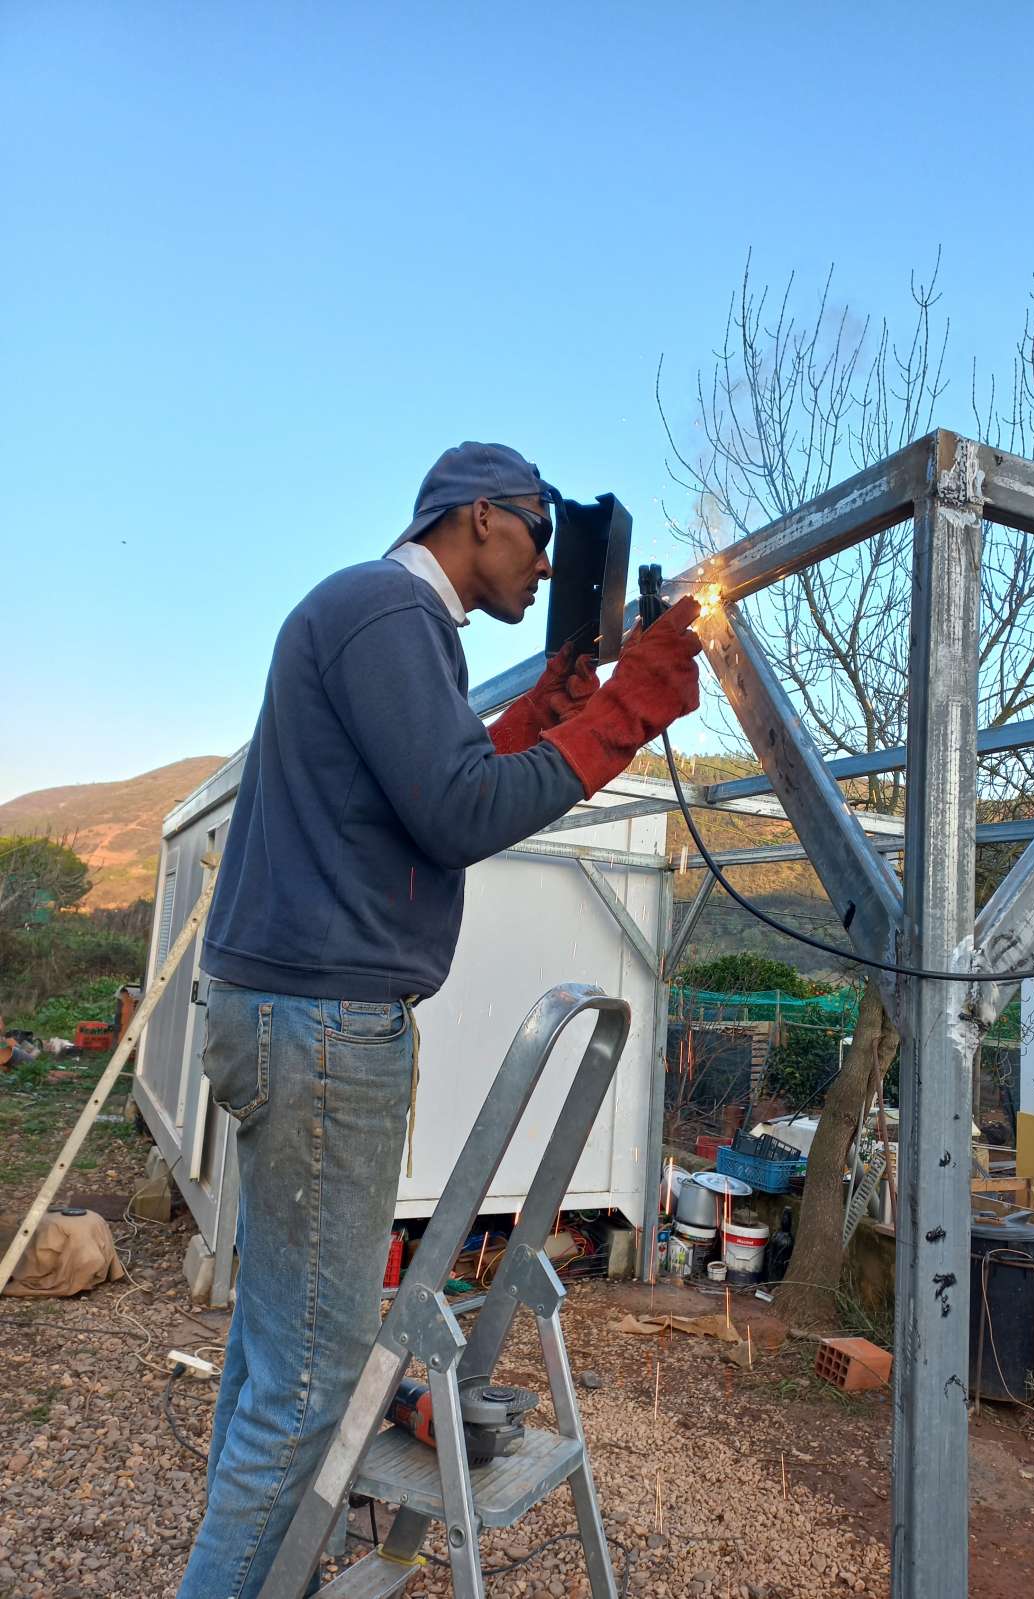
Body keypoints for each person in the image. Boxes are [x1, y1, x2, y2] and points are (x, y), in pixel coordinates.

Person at [176, 441, 701, 1598]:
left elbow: (420, 798)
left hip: (288, 1018)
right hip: (320, 1026)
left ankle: (272, 1576)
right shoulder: (389, 613)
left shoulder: (375, 621)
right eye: (537, 536)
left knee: (278, 1365)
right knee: (313, 1393)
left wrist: (540, 721)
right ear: (474, 519)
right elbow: (460, 815)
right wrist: (625, 709)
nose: (550, 565)